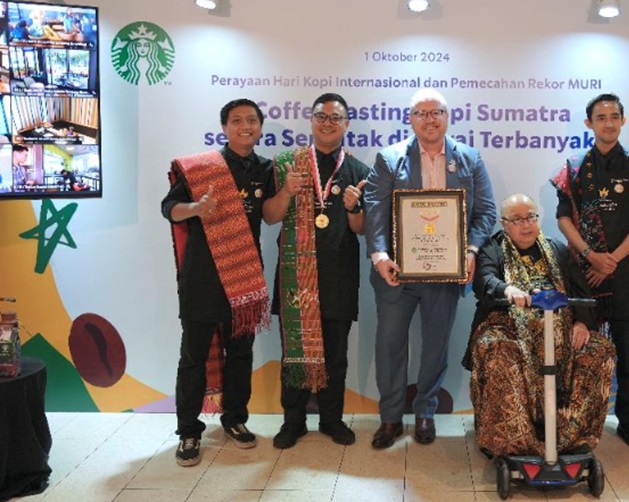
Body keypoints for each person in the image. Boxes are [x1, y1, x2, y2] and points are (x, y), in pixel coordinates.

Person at [364, 88, 496, 448]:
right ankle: (391, 418)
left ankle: (425, 412)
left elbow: (486, 212)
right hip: (397, 273)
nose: (429, 119)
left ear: (447, 117)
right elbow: (375, 211)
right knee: (390, 345)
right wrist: (380, 257)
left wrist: (469, 251)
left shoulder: (469, 158)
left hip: (445, 273)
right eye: (421, 113)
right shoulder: (390, 158)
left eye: (436, 112)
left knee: (435, 345)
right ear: (410, 120)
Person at [161, 98, 272, 467]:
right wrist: (195, 209)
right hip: (203, 280)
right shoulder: (202, 169)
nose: (246, 126)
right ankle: (189, 430)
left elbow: (271, 216)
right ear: (224, 127)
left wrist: (286, 192)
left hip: (243, 278)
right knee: (193, 357)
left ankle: (235, 420)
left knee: (240, 354)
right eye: (237, 120)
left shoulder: (265, 169)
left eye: (252, 120)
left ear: (259, 127)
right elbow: (168, 208)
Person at [465, 194, 615, 457]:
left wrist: (581, 322)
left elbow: (581, 290)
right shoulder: (493, 248)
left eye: (531, 217)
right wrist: (507, 288)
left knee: (599, 350)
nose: (526, 225)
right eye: (517, 219)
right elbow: (484, 281)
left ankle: (571, 437)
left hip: (558, 329)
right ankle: (513, 441)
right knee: (499, 352)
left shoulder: (556, 248)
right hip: (507, 326)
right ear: (504, 223)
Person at [263, 93, 370, 449]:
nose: (328, 123)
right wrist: (288, 193)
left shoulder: (357, 171)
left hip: (339, 276)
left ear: (346, 124)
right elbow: (270, 216)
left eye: (335, 117)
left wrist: (354, 207)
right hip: (296, 276)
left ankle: (331, 420)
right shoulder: (287, 164)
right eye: (321, 117)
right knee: (295, 351)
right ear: (311, 121)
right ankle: (292, 422)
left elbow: (361, 229)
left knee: (335, 354)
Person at [550, 93, 629, 450]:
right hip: (584, 272)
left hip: (623, 273)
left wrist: (611, 259)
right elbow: (563, 218)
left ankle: (628, 422)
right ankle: (576, 421)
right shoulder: (575, 164)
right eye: (600, 117)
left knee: (627, 351)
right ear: (589, 123)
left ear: (623, 121)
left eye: (614, 116)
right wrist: (591, 255)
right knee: (580, 347)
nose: (608, 122)